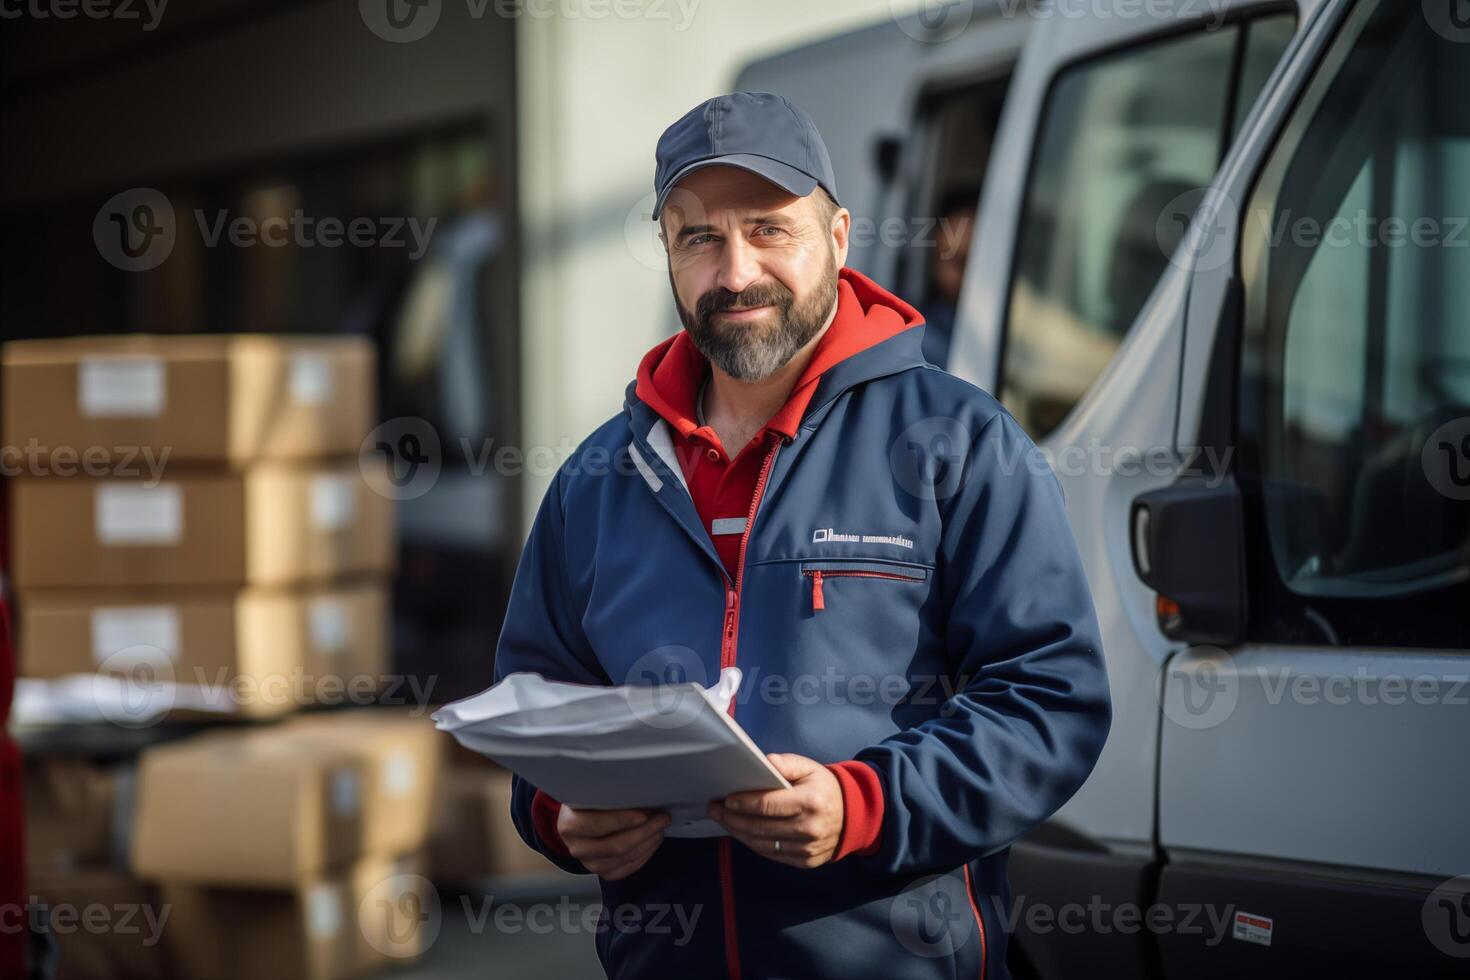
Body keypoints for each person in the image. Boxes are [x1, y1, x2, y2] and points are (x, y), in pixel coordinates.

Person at [494, 91, 1111, 980]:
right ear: (668, 253)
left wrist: (867, 803)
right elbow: (536, 710)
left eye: (769, 228)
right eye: (698, 237)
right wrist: (560, 813)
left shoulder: (960, 446)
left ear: (839, 236)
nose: (734, 270)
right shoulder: (595, 481)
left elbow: (1052, 700)